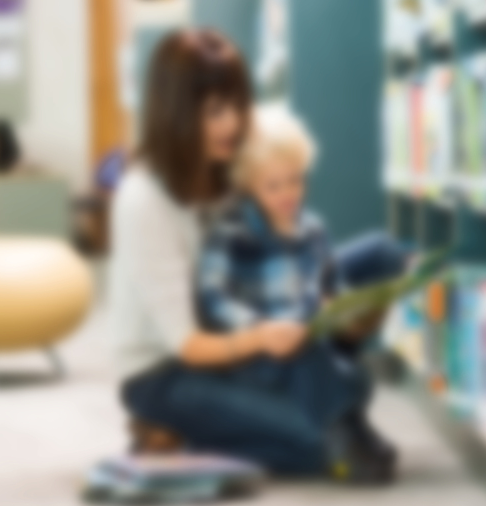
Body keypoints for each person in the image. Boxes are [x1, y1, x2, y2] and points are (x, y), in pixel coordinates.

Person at [107, 29, 403, 483]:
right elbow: (186, 343)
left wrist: (335, 312)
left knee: (381, 257)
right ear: (178, 115)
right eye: (214, 112)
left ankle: (328, 389)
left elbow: (278, 258)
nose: (232, 125)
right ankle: (174, 430)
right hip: (168, 371)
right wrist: (264, 337)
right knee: (314, 438)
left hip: (236, 331)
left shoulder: (225, 163)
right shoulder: (143, 199)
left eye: (238, 106)